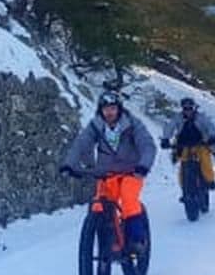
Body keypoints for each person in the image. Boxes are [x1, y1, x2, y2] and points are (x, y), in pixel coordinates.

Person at [59, 90, 156, 254]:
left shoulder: (132, 124)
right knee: (99, 205)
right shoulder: (96, 126)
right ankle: (107, 240)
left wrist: (143, 166)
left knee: (128, 199)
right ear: (100, 110)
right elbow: (81, 144)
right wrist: (70, 164)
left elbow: (147, 145)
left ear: (119, 109)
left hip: (132, 172)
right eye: (105, 109)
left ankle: (137, 240)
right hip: (106, 173)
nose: (109, 112)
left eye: (112, 108)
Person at [160, 97, 215, 197]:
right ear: (182, 109)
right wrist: (165, 139)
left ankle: (210, 181)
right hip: (183, 145)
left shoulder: (201, 117)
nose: (188, 111)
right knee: (182, 166)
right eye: (185, 108)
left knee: (205, 159)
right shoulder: (177, 118)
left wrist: (212, 137)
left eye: (190, 108)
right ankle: (184, 189)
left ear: (194, 108)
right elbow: (170, 127)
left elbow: (210, 126)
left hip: (200, 144)